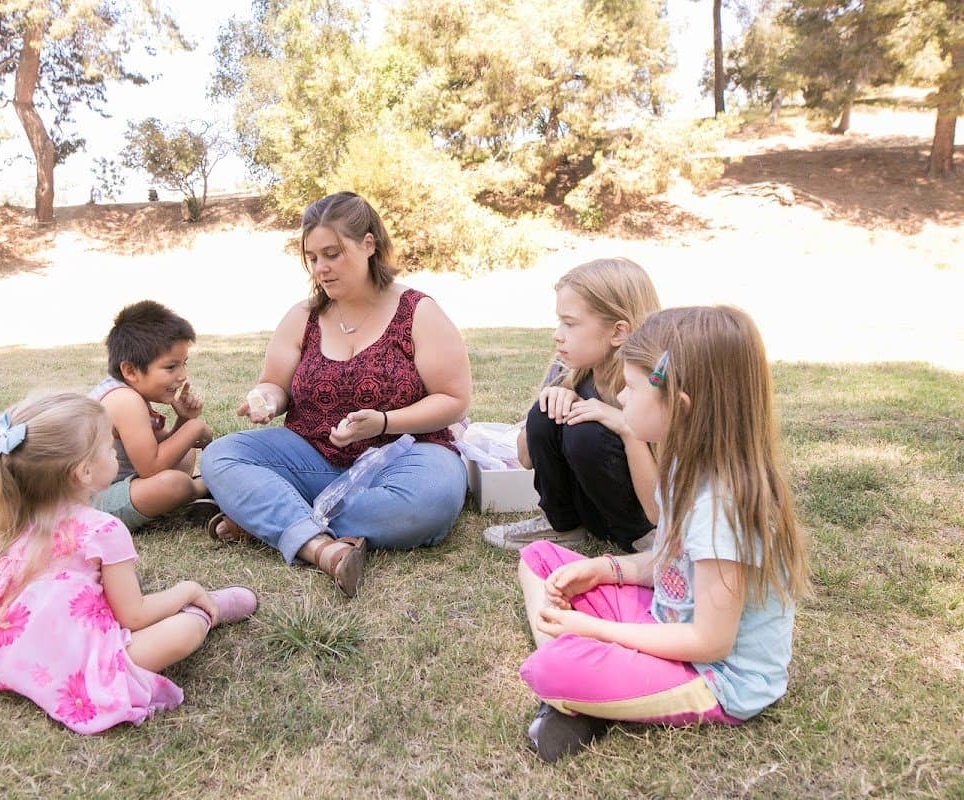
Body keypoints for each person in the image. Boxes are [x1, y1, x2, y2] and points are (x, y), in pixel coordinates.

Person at [517, 306, 810, 761]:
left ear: (680, 405)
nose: (620, 399)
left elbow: (711, 642)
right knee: (538, 559)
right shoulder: (682, 464)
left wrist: (594, 629)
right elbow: (671, 562)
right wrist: (607, 569)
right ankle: (592, 692)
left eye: (631, 389)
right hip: (665, 620)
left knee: (551, 667)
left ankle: (582, 693)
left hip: (714, 675)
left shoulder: (722, 507)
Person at [201, 191, 472, 597]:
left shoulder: (418, 311)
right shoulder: (303, 317)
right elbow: (275, 384)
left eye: (332, 253)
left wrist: (383, 421)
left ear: (368, 244)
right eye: (312, 258)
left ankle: (269, 518)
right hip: (314, 456)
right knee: (220, 456)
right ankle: (316, 543)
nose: (321, 268)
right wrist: (267, 400)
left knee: (430, 502)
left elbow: (453, 400)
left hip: (405, 456)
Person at [0, 392, 257, 735]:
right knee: (183, 632)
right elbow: (133, 615)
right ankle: (204, 609)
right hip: (71, 661)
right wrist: (186, 590)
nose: (115, 454)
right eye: (110, 449)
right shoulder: (103, 530)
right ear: (84, 472)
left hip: (11, 651)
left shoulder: (11, 516)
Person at [482, 257, 661, 554]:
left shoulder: (651, 383)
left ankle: (643, 542)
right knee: (545, 413)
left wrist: (624, 427)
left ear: (618, 332)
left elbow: (664, 498)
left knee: (586, 433)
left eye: (570, 323)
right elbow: (525, 460)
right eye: (559, 321)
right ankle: (562, 526)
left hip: (647, 517)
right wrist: (552, 403)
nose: (557, 334)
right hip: (591, 509)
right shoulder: (567, 370)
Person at [88, 300, 215, 532]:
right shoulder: (125, 401)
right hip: (92, 504)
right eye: (170, 367)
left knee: (183, 453)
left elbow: (162, 449)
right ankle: (204, 489)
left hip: (121, 483)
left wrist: (184, 420)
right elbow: (152, 468)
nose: (182, 376)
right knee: (174, 484)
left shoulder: (129, 393)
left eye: (183, 364)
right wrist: (194, 428)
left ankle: (196, 487)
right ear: (130, 370)